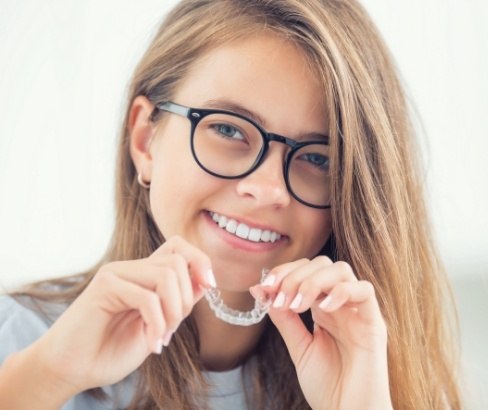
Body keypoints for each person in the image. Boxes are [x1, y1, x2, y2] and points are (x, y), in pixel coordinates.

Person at [0, 0, 461, 408]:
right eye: (228, 129)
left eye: (318, 158)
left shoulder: (383, 382)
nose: (268, 189)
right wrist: (43, 379)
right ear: (145, 139)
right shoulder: (19, 339)